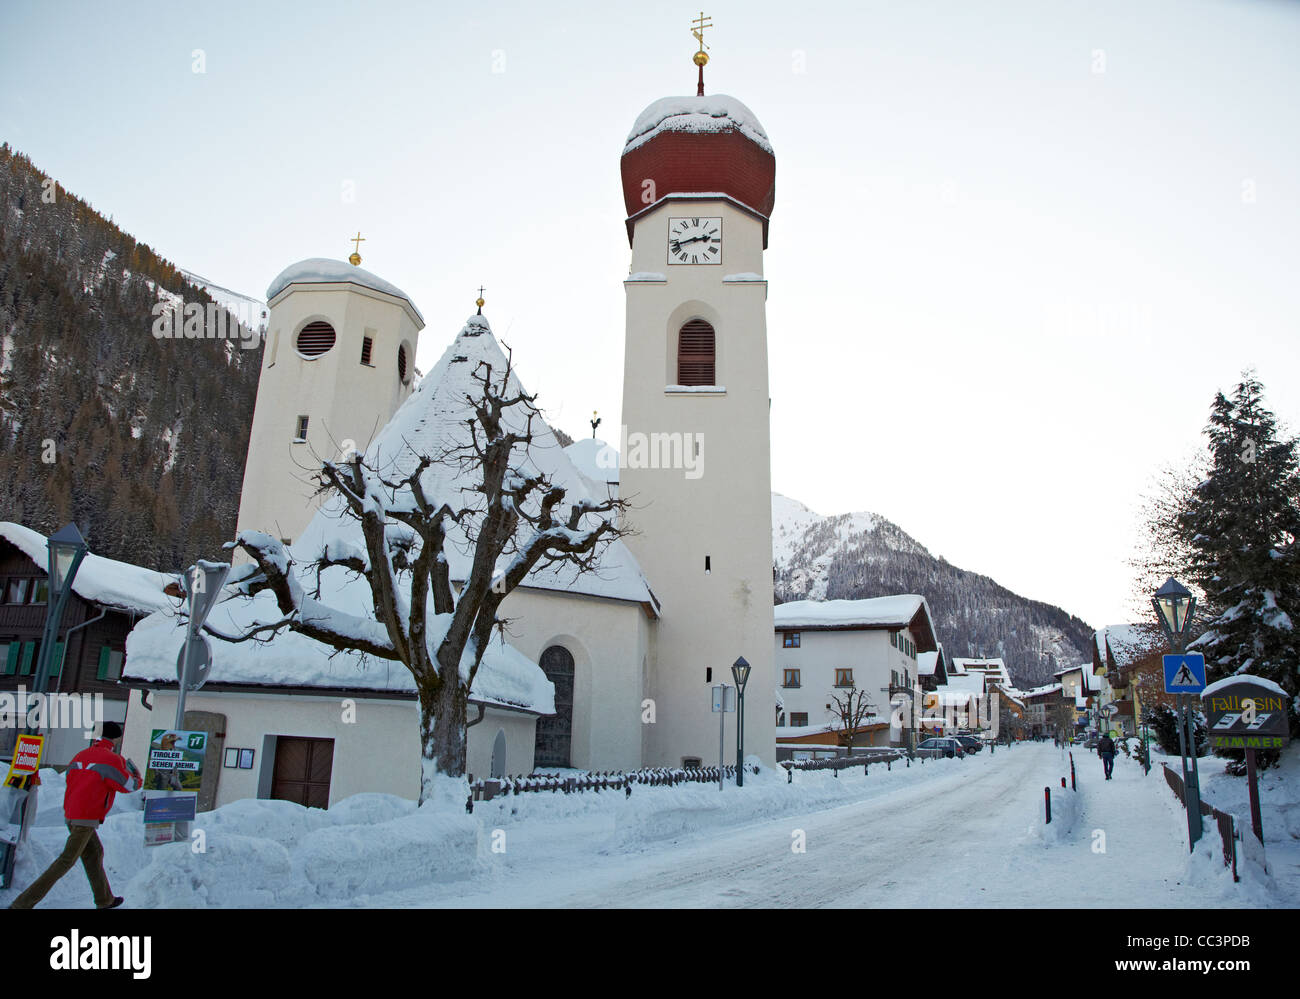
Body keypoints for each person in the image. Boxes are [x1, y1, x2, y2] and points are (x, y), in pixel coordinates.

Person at [9, 721, 141, 909]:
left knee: (94, 853)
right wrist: (136, 775)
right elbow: (129, 786)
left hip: (72, 813)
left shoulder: (80, 755)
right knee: (65, 861)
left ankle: (105, 899)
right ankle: (21, 904)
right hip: (86, 817)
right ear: (117, 737)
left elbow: (71, 780)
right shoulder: (112, 759)